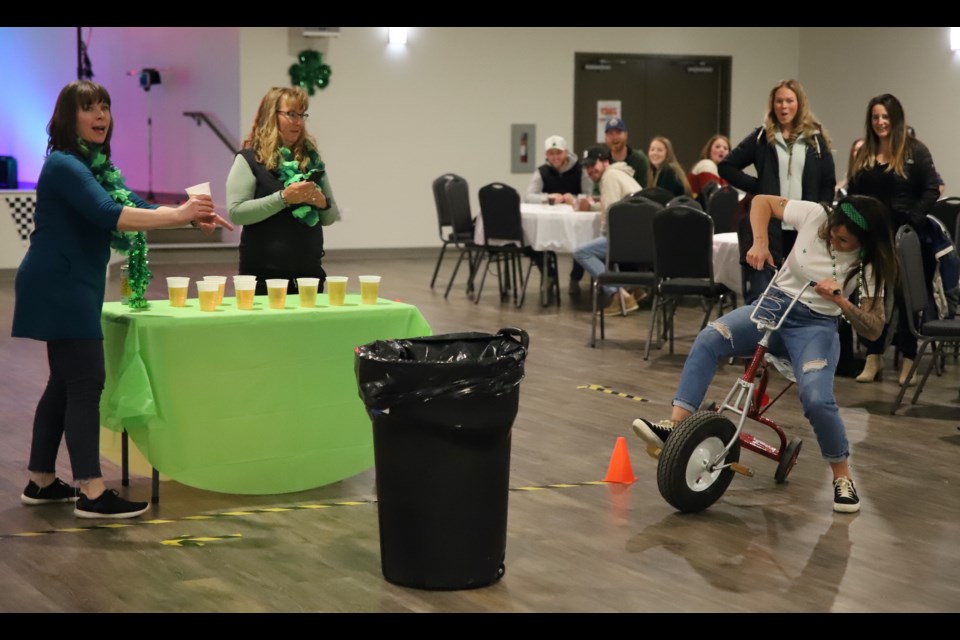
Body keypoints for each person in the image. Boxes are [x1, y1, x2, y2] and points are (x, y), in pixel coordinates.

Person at [12, 80, 231, 519]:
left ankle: (41, 481)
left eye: (105, 108)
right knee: (85, 381)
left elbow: (130, 200)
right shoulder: (64, 166)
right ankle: (92, 492)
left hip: (73, 284)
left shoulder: (93, 168)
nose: (100, 116)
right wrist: (179, 215)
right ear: (67, 117)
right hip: (61, 285)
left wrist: (190, 219)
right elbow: (110, 214)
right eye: (89, 108)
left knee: (64, 381)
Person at [633, 194, 899, 513]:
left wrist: (841, 299)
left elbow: (873, 329)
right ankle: (675, 429)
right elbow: (761, 202)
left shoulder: (868, 264)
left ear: (863, 241)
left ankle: (842, 477)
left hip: (816, 325)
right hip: (773, 305)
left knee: (817, 398)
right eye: (831, 231)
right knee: (710, 338)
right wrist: (760, 242)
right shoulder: (816, 215)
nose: (832, 239)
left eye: (842, 240)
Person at [847, 94, 943, 384]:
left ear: (897, 119)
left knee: (905, 300)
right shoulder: (864, 153)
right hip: (874, 239)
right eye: (876, 117)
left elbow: (931, 189)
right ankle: (873, 358)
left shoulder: (916, 151)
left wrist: (912, 219)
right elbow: (853, 193)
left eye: (886, 117)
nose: (880, 122)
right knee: (871, 298)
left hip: (908, 239)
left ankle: (909, 360)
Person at [720, 79, 836, 304]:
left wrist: (821, 213)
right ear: (772, 105)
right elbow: (726, 166)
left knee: (800, 292)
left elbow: (827, 182)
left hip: (803, 227)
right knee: (763, 292)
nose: (784, 107)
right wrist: (760, 187)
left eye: (789, 101)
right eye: (779, 101)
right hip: (770, 224)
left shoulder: (816, 140)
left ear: (799, 104)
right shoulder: (762, 137)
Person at [227, 87, 339, 296]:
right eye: (291, 114)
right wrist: (283, 198)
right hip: (263, 276)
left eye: (302, 115)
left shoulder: (311, 160)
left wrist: (322, 203)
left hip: (309, 274)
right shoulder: (249, 159)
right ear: (271, 116)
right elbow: (237, 212)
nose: (298, 121)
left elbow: (330, 217)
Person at [572, 145, 644, 316]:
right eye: (587, 167)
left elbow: (611, 213)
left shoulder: (609, 177)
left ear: (605, 161)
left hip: (626, 239)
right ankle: (633, 289)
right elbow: (615, 204)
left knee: (582, 252)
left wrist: (604, 234)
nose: (589, 170)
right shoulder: (619, 174)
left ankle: (619, 295)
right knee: (600, 247)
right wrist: (592, 207)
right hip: (641, 237)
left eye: (592, 165)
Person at [525, 134, 594, 294]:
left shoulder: (580, 169)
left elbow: (588, 194)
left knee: (582, 241)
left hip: (576, 218)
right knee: (532, 237)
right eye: (551, 153)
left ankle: (575, 278)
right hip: (549, 219)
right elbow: (529, 195)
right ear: (546, 154)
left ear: (566, 152)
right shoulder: (541, 172)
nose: (555, 157)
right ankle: (548, 274)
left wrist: (574, 199)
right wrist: (547, 198)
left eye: (558, 153)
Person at [604, 117, 650, 187]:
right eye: (610, 134)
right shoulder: (603, 161)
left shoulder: (640, 160)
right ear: (605, 138)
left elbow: (645, 188)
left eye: (618, 133)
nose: (615, 137)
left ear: (626, 135)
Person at [687, 134, 731, 202]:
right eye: (717, 147)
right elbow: (712, 197)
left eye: (725, 148)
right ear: (709, 150)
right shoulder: (707, 164)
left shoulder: (722, 173)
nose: (722, 150)